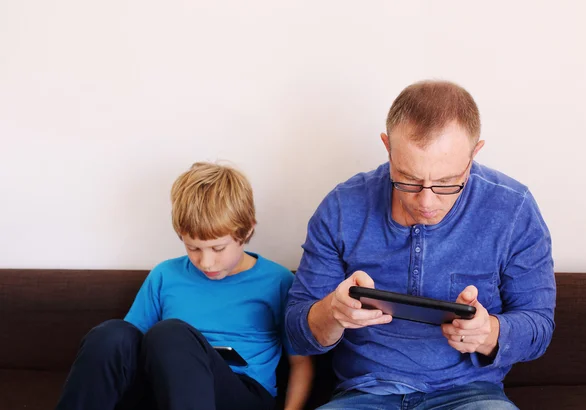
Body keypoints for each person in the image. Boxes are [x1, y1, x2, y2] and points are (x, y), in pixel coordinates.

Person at [285, 80, 555, 409]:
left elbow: (539, 326)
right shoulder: (342, 207)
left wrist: (489, 333)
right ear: (387, 147)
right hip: (365, 394)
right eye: (409, 179)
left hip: (470, 394)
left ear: (474, 154)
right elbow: (296, 333)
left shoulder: (513, 209)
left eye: (445, 183)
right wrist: (332, 312)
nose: (426, 201)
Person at [56, 162, 313, 410]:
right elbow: (127, 349)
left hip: (239, 392)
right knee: (111, 334)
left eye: (218, 248)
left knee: (170, 334)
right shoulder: (165, 275)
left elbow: (300, 363)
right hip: (166, 389)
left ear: (246, 232)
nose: (206, 262)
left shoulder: (278, 281)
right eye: (193, 248)